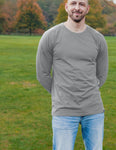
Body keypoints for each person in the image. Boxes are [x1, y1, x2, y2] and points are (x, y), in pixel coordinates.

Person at [36, 0, 108, 149]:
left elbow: (101, 75)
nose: (77, 7)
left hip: (93, 110)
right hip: (64, 111)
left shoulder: (98, 39)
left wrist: (88, 91)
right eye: (73, 3)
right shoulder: (50, 36)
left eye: (81, 4)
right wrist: (60, 94)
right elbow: (42, 74)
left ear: (87, 9)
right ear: (66, 6)